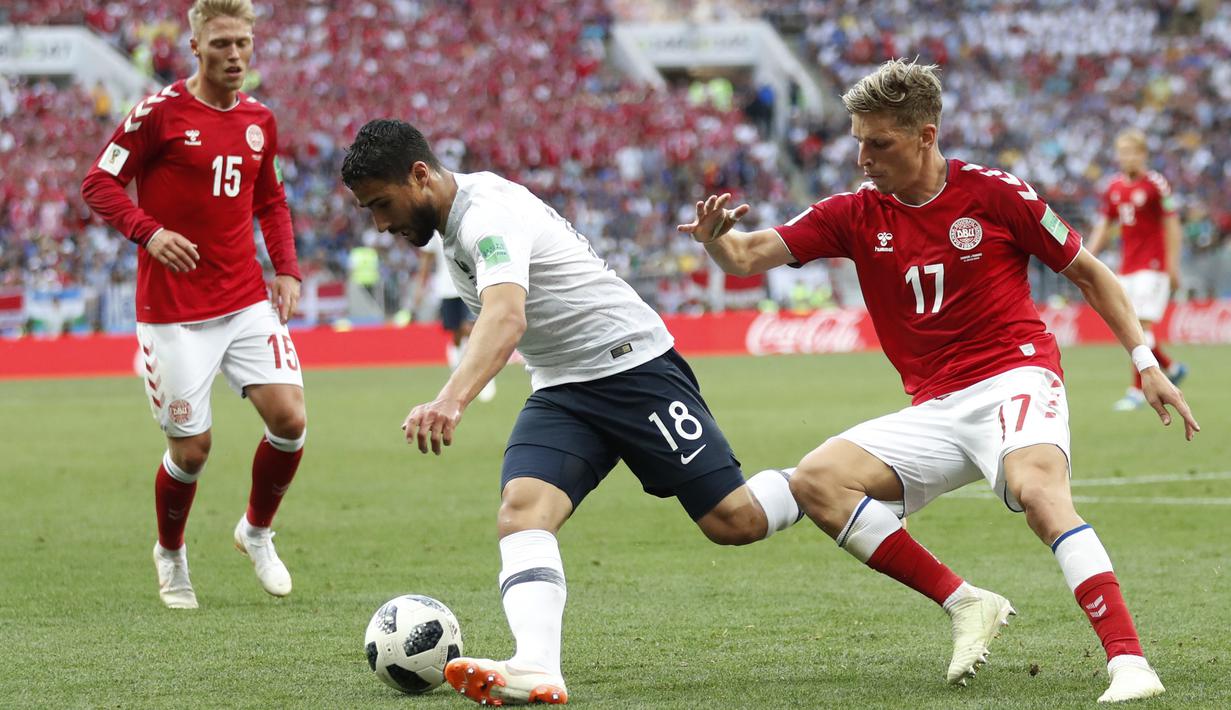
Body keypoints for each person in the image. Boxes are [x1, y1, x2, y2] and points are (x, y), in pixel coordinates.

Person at [678, 59, 1199, 704]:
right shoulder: (853, 212)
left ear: (926, 134)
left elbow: (1091, 274)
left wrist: (1145, 362)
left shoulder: (996, 194)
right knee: (818, 479)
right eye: (859, 142)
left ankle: (1129, 662)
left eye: (880, 143)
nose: (864, 157)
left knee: (1036, 490)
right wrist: (717, 242)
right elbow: (749, 255)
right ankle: (966, 602)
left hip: (1016, 374)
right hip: (936, 404)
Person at [341, 119, 803, 706]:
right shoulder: (454, 225)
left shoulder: (487, 215)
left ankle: (816, 481)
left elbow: (507, 317)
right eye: (368, 211)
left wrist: (449, 400)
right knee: (522, 512)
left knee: (733, 522)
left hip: (634, 368)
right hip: (564, 386)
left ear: (419, 174)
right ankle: (537, 666)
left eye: (382, 204)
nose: (380, 224)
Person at [81, 0, 307, 610]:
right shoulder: (157, 114)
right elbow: (99, 183)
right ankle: (171, 553)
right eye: (222, 45)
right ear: (196, 48)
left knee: (290, 422)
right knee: (192, 450)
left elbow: (271, 201)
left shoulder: (261, 119)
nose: (234, 56)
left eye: (243, 44)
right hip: (173, 314)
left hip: (244, 301)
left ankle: (256, 532)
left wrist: (285, 268)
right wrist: (148, 231)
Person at [1086, 128, 1188, 411]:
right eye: (1122, 153)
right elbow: (1105, 225)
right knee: (1131, 327)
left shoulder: (1156, 184)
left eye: (1131, 152)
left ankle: (1136, 390)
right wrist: (1086, 255)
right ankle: (1171, 366)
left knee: (1139, 327)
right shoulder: (1114, 188)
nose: (1126, 158)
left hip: (1153, 266)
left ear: (1143, 154)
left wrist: (1172, 266)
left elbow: (1171, 225)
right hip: (1127, 266)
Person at [413, 236, 496, 402]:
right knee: (456, 332)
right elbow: (427, 260)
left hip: (469, 286)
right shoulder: (433, 231)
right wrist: (420, 288)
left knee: (470, 328)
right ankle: (459, 369)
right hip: (446, 287)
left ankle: (483, 374)